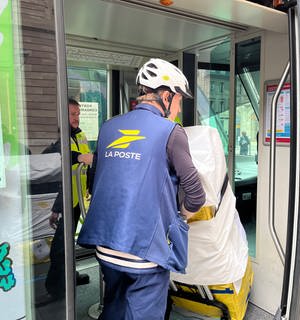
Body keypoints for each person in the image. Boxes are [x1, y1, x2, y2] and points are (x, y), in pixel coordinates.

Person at [77, 58, 206, 320]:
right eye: (179, 99)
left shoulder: (108, 127)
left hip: (106, 247)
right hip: (144, 254)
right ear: (167, 95)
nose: (179, 108)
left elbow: (95, 179)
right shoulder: (171, 131)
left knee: (114, 309)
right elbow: (196, 194)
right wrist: (181, 217)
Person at [43, 98, 93, 301]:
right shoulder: (60, 138)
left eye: (78, 113)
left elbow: (86, 166)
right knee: (59, 248)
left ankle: (71, 277)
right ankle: (55, 290)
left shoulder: (80, 135)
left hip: (79, 199)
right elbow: (62, 157)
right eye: (72, 113)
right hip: (68, 200)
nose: (76, 117)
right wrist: (80, 158)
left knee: (69, 244)